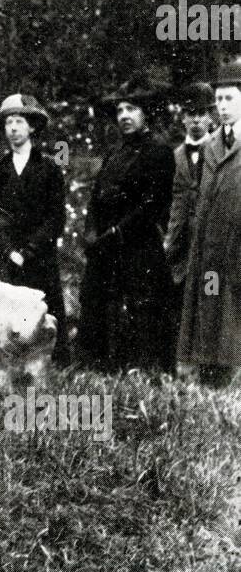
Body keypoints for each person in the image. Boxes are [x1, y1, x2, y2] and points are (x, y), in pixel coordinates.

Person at [76, 80, 175, 374]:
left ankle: (144, 371)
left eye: (132, 108)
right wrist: (91, 233)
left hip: (138, 245)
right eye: (120, 110)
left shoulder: (159, 153)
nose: (124, 115)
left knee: (141, 309)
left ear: (146, 114)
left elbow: (152, 204)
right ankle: (102, 367)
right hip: (106, 247)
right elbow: (96, 198)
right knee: (100, 304)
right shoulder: (114, 154)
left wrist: (118, 233)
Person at [0, 94, 69, 364]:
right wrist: (8, 250)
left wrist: (29, 250)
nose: (13, 128)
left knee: (47, 311)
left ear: (32, 127)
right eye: (8, 122)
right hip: (7, 256)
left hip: (39, 255)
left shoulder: (50, 168)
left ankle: (55, 364)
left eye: (19, 121)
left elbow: (55, 218)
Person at [178, 60, 241, 386]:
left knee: (234, 316)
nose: (223, 106)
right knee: (210, 311)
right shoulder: (211, 146)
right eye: (220, 100)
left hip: (237, 248)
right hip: (209, 250)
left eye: (230, 98)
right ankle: (212, 378)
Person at [164, 82, 215, 332]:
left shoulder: (223, 152)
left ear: (210, 117)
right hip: (181, 247)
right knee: (181, 306)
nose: (195, 120)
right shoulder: (172, 157)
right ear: (182, 118)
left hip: (213, 245)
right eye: (190, 114)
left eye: (201, 114)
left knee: (211, 301)